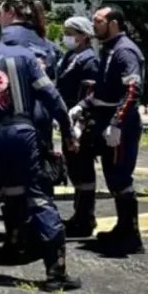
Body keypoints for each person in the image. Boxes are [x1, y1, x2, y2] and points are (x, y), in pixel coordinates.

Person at [0, 10, 81, 290]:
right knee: (39, 197)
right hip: (24, 135)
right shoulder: (24, 57)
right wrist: (67, 132)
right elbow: (52, 97)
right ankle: (56, 272)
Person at [70, 4, 146, 253]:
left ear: (113, 23)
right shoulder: (109, 50)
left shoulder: (125, 52)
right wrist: (82, 105)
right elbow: (103, 89)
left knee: (120, 177)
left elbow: (132, 90)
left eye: (98, 21)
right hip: (103, 118)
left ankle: (131, 236)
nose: (94, 25)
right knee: (110, 175)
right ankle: (122, 228)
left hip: (119, 123)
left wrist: (117, 124)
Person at [55, 15, 102, 236]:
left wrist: (80, 125)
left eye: (70, 34)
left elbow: (90, 95)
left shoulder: (89, 60)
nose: (66, 38)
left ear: (84, 36)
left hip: (80, 121)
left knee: (82, 169)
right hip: (67, 118)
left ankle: (85, 218)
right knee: (74, 167)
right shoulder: (70, 57)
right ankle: (79, 215)